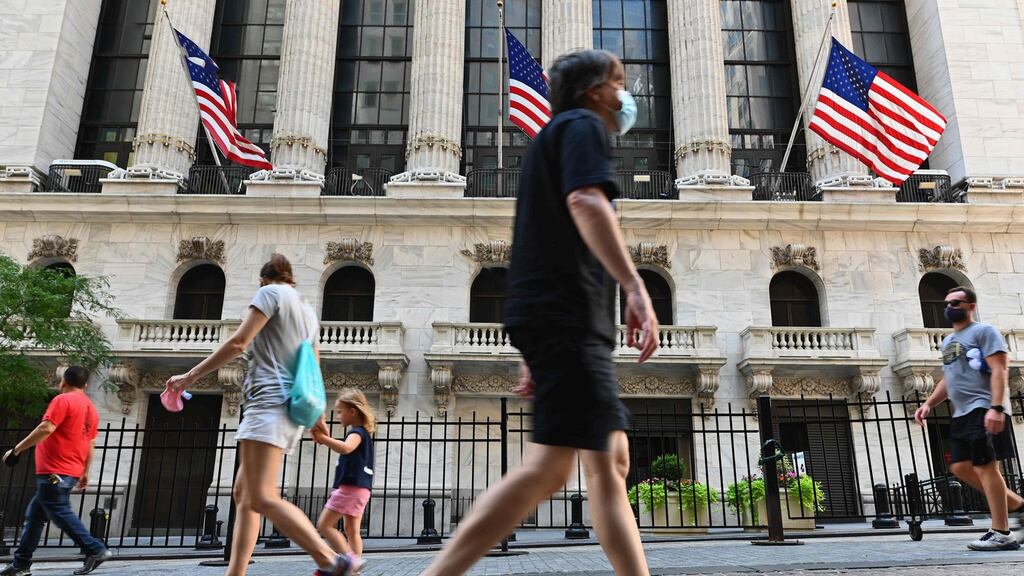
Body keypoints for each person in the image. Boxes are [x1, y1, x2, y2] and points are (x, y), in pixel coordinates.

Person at [421, 49, 659, 576]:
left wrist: (535, 347)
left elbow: (539, 242)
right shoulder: (581, 128)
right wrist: (636, 287)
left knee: (607, 461)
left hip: (561, 322)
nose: (627, 94)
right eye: (619, 82)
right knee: (554, 468)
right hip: (567, 319)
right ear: (594, 91)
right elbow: (587, 205)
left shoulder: (549, 141)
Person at [165, 254, 353, 576]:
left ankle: (331, 560)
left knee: (263, 497)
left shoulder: (270, 294)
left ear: (264, 280)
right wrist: (318, 414)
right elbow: (314, 367)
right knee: (244, 494)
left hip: (267, 403)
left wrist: (188, 377)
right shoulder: (308, 312)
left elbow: (239, 342)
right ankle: (235, 572)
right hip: (289, 408)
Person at [915, 286, 1022, 551]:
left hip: (984, 407)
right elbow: (949, 378)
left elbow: (1000, 368)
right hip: (961, 412)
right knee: (960, 467)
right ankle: (1018, 505)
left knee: (986, 467)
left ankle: (1001, 532)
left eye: (957, 302)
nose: (950, 306)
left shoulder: (984, 332)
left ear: (970, 306)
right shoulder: (948, 342)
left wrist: (996, 407)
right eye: (947, 302)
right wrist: (928, 403)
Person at [0, 366, 112, 576]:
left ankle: (95, 549)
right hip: (69, 470)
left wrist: (16, 450)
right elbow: (90, 443)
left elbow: (46, 428)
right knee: (35, 516)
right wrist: (86, 471)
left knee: (59, 511)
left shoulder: (63, 400)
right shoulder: (91, 408)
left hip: (55, 471)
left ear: (63, 382)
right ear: (85, 385)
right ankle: (21, 564)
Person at [312, 388, 376, 573]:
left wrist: (324, 439)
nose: (338, 415)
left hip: (350, 488)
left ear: (352, 411)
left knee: (324, 525)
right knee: (352, 530)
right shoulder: (364, 433)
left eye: (340, 411)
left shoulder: (356, 432)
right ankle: (353, 570)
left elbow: (347, 448)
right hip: (362, 489)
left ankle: (348, 562)